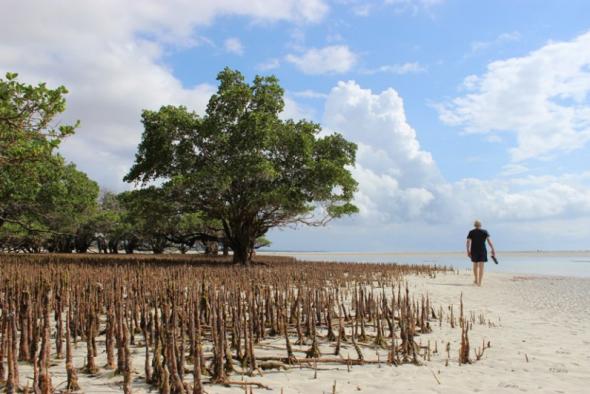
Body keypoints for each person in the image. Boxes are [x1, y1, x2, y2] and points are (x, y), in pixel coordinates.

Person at [466, 220, 496, 286]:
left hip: (474, 250)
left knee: (475, 265)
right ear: (480, 225)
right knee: (481, 266)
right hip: (482, 250)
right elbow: (489, 242)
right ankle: (480, 282)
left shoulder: (471, 232)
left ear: (474, 225)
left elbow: (468, 242)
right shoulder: (485, 232)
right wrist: (493, 249)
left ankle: (476, 280)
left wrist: (468, 251)